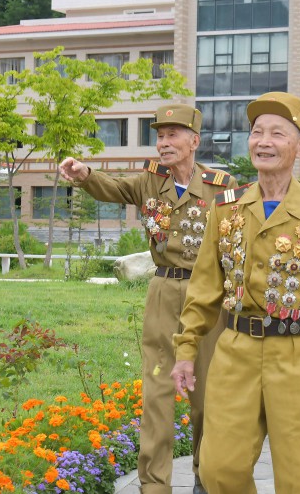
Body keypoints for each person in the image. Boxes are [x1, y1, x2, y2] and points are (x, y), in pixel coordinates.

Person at [170, 92, 300, 494]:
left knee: (299, 480)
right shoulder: (226, 208)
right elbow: (205, 286)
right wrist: (187, 349)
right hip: (236, 350)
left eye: (278, 133)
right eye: (257, 132)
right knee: (217, 469)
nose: (264, 141)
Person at [59, 103, 237, 494]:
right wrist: (84, 173)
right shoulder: (150, 181)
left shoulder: (222, 187)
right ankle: (154, 484)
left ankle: (206, 477)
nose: (164, 143)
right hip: (162, 289)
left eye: (173, 135)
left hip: (207, 294)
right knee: (157, 391)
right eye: (159, 136)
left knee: (206, 391)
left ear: (194, 141)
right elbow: (116, 187)